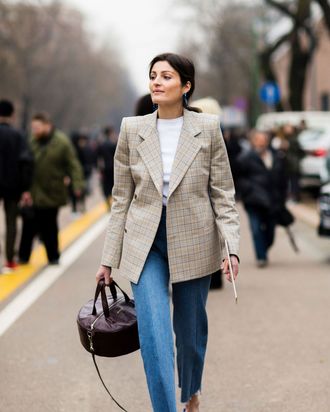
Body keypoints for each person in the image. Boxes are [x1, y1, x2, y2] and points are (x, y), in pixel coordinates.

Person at [95, 52, 240, 412]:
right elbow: (121, 200)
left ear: (186, 86)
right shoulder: (132, 129)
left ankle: (191, 391)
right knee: (155, 334)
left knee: (190, 334)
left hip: (194, 239)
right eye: (153, 76)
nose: (157, 82)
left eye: (166, 77)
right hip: (146, 243)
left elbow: (222, 193)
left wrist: (231, 248)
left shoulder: (207, 129)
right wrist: (108, 260)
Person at [18, 112, 84, 264]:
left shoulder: (61, 142)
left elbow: (73, 164)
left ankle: (53, 256)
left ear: (47, 125)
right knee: (29, 225)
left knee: (50, 226)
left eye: (37, 127)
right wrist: (24, 189)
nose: (34, 131)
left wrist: (77, 184)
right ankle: (23, 257)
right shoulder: (32, 142)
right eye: (32, 128)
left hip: (52, 191)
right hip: (34, 190)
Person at [237, 129, 287, 267]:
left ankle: (263, 249)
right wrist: (247, 190)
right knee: (256, 228)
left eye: (264, 140)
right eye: (258, 140)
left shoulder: (276, 156)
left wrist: (282, 197)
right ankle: (261, 257)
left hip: (272, 200)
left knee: (270, 232)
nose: (261, 143)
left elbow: (282, 178)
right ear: (253, 142)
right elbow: (237, 177)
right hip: (253, 200)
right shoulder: (245, 157)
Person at [0, 99, 32, 272]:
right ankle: (10, 260)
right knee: (11, 222)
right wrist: (25, 188)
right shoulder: (18, 135)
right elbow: (25, 162)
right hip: (12, 186)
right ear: (12, 115)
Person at [97, 126, 117, 210]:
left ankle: (108, 203)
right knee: (114, 185)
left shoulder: (101, 145)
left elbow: (98, 158)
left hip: (104, 168)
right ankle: (115, 202)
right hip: (113, 168)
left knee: (106, 186)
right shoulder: (113, 144)